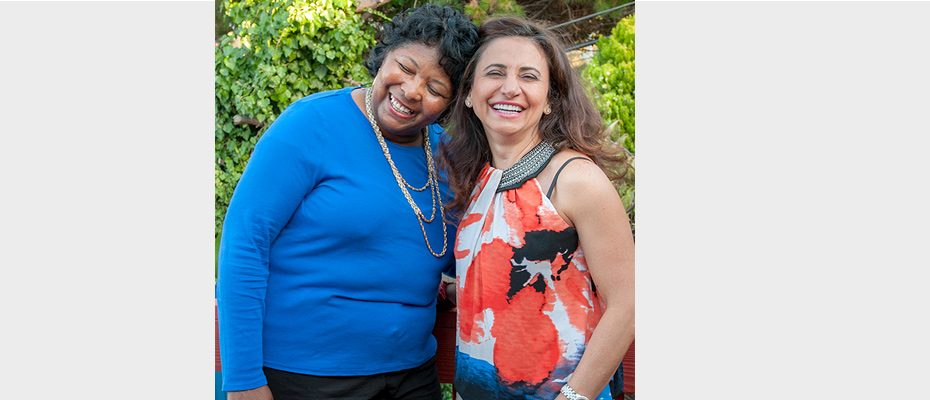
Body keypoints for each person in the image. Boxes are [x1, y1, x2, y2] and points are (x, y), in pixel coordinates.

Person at [216, 5, 478, 400]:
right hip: (306, 377)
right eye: (405, 67)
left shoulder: (449, 157)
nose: (411, 90)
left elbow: (450, 253)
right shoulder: (310, 124)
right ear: (384, 55)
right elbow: (244, 245)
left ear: (452, 102)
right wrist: (242, 379)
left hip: (413, 376)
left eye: (435, 88)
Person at [438, 16, 635, 400]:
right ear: (468, 93)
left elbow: (628, 302)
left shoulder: (575, 180)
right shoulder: (481, 181)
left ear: (549, 101)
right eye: (495, 73)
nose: (510, 88)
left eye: (529, 77)